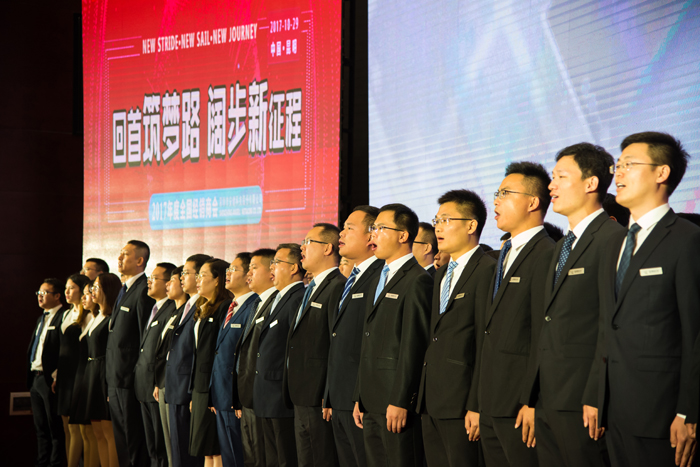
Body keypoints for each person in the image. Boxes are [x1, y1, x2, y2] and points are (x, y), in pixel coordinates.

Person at [595, 132, 700, 467]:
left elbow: (695, 333)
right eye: (618, 165)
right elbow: (608, 325)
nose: (619, 173)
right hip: (614, 412)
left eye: (629, 164)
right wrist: (596, 396)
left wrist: (689, 411)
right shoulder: (614, 243)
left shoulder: (687, 239)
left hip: (662, 413)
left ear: (661, 173)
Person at [523, 143, 621, 467]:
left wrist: (596, 394)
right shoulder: (561, 246)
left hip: (583, 400)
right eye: (552, 178)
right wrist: (532, 397)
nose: (551, 186)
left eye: (561, 177)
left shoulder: (613, 239)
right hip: (548, 398)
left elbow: (610, 324)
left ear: (591, 183)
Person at [479, 162, 555, 467]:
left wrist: (532, 400)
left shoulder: (546, 253)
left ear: (533, 202)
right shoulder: (505, 253)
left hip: (519, 404)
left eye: (505, 193)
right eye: (496, 194)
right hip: (491, 400)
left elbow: (542, 333)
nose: (496, 201)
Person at [417, 189, 496, 466]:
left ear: (471, 226)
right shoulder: (442, 274)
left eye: (446, 220)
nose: (438, 228)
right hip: (432, 399)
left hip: (462, 401)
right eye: (436, 221)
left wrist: (476, 404)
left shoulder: (487, 270)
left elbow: (484, 341)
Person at [352, 203, 433, 467]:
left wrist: (401, 400)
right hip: (370, 400)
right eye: (372, 228)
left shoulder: (418, 279)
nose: (373, 234)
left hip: (394, 403)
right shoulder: (379, 277)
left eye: (380, 228)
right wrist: (359, 395)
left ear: (403, 235)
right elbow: (368, 340)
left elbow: (414, 346)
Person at [324, 205, 383, 467]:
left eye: (349, 228)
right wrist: (330, 394)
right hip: (340, 397)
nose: (341, 234)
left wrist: (360, 395)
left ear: (371, 236)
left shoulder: (380, 275)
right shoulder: (353, 278)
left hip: (361, 399)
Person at [286, 224, 346, 466]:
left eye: (308, 242)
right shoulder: (311, 288)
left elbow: (335, 345)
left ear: (327, 248)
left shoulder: (338, 285)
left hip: (319, 395)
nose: (302, 248)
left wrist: (328, 393)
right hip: (301, 393)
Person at [255, 244, 306, 467]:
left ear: (294, 268)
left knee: (285, 459)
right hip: (265, 395)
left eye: (276, 263)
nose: (272, 268)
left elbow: (295, 348)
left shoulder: (297, 297)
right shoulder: (278, 298)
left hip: (280, 396)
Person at [106, 240, 156, 467]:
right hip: (115, 378)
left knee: (133, 441)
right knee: (122, 442)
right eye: (120, 253)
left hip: (129, 380)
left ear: (139, 260)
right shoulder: (124, 289)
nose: (119, 258)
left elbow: (143, 339)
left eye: (125, 254)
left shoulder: (144, 290)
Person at [210, 252, 258, 467]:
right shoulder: (231, 305)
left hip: (235, 396)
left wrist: (237, 396)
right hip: (221, 395)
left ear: (249, 275)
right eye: (227, 269)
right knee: (228, 455)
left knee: (239, 456)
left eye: (233, 269)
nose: (227, 273)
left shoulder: (253, 305)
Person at [234, 248, 279, 467]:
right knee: (251, 458)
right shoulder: (256, 303)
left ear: (272, 271)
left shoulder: (276, 303)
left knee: (264, 458)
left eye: (254, 267)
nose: (248, 273)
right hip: (248, 396)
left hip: (265, 397)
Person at [167, 254, 211, 467]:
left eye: (186, 273)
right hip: (175, 386)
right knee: (177, 451)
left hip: (188, 388)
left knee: (188, 454)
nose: (181, 277)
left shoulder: (203, 306)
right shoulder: (185, 306)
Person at [190, 258, 232, 466]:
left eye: (203, 275)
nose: (197, 280)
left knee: (216, 448)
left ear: (217, 280)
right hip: (200, 386)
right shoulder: (203, 307)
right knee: (206, 450)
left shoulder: (224, 307)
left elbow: (219, 352)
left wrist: (214, 392)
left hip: (212, 387)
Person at [134, 262, 177, 467]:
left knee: (161, 446)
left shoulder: (172, 309)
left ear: (168, 283)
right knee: (152, 446)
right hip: (144, 386)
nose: (149, 282)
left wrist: (157, 382)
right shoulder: (154, 308)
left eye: (154, 278)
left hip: (156, 386)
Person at [28, 278, 68, 467]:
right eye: (39, 292)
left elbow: (64, 350)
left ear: (57, 295)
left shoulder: (63, 316)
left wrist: (57, 375)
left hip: (49, 379)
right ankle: (42, 462)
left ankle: (55, 463)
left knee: (54, 427)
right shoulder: (41, 318)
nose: (40, 296)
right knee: (40, 427)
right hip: (35, 378)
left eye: (45, 293)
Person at [86, 273, 123, 467]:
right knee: (97, 432)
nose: (92, 291)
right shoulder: (96, 315)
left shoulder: (112, 317)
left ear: (107, 289)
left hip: (104, 374)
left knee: (109, 433)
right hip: (92, 373)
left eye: (96, 287)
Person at [154, 265, 189, 467]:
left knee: (178, 446)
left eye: (173, 280)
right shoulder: (173, 313)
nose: (168, 284)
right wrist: (158, 381)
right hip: (164, 382)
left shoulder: (188, 312)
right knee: (169, 444)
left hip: (178, 384)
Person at [55, 274, 91, 467]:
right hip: (64, 375)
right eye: (66, 288)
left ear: (82, 289)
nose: (67, 292)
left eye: (72, 288)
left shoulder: (88, 315)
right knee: (66, 426)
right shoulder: (66, 314)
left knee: (76, 427)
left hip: (78, 374)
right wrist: (56, 375)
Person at [74, 281, 101, 467]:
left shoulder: (101, 317)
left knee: (93, 433)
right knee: (83, 431)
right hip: (83, 375)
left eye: (89, 292)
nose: (84, 297)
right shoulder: (87, 317)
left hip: (93, 375)